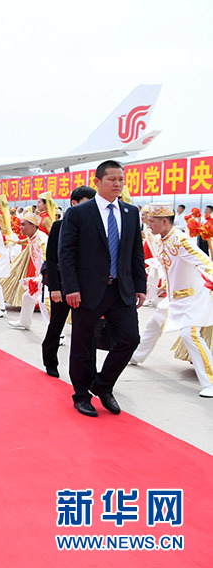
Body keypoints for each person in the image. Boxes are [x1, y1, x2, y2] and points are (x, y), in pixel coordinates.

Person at [59, 160, 146, 417]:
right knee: (83, 344)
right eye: (112, 179)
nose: (118, 184)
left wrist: (140, 286)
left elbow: (136, 253)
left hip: (121, 289)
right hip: (87, 290)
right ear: (98, 182)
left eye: (121, 179)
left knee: (130, 339)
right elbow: (66, 253)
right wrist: (71, 287)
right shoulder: (78, 213)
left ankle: (103, 384)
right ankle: (81, 395)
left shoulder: (130, 212)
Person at [129, 203, 213, 398]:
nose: (149, 225)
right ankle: (136, 356)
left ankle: (210, 382)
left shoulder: (181, 241)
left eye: (152, 222)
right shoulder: (161, 239)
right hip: (173, 297)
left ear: (164, 221)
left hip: (192, 298)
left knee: (189, 335)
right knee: (154, 323)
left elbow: (204, 262)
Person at [41, 186, 96, 377]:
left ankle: (88, 369)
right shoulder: (58, 226)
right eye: (87, 203)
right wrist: (54, 287)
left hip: (86, 285)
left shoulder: (93, 226)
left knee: (87, 329)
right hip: (63, 284)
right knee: (57, 323)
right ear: (74, 203)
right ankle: (50, 361)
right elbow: (51, 259)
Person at [6, 212, 48, 331]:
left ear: (33, 226)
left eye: (23, 225)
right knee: (27, 296)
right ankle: (24, 322)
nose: (20, 227)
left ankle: (57, 334)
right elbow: (27, 242)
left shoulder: (42, 240)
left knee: (44, 302)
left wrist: (41, 277)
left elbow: (47, 259)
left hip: (47, 276)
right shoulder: (33, 238)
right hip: (40, 275)